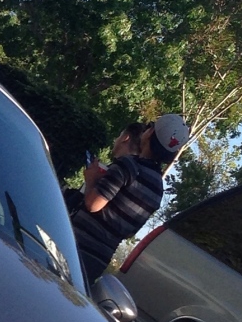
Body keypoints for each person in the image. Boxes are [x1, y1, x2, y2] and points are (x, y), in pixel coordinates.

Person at [67, 113, 189, 284]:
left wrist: (91, 178)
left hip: (75, 247)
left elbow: (93, 204)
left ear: (150, 134)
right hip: (98, 261)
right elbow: (130, 232)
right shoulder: (157, 190)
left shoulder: (129, 165)